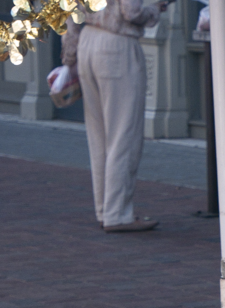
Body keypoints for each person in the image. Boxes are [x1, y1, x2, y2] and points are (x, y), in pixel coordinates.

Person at [61, 0, 170, 233]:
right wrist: (154, 9)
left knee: (98, 137)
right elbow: (131, 11)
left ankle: (105, 210)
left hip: (87, 42)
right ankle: (118, 214)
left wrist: (70, 55)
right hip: (117, 44)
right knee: (123, 135)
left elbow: (66, 10)